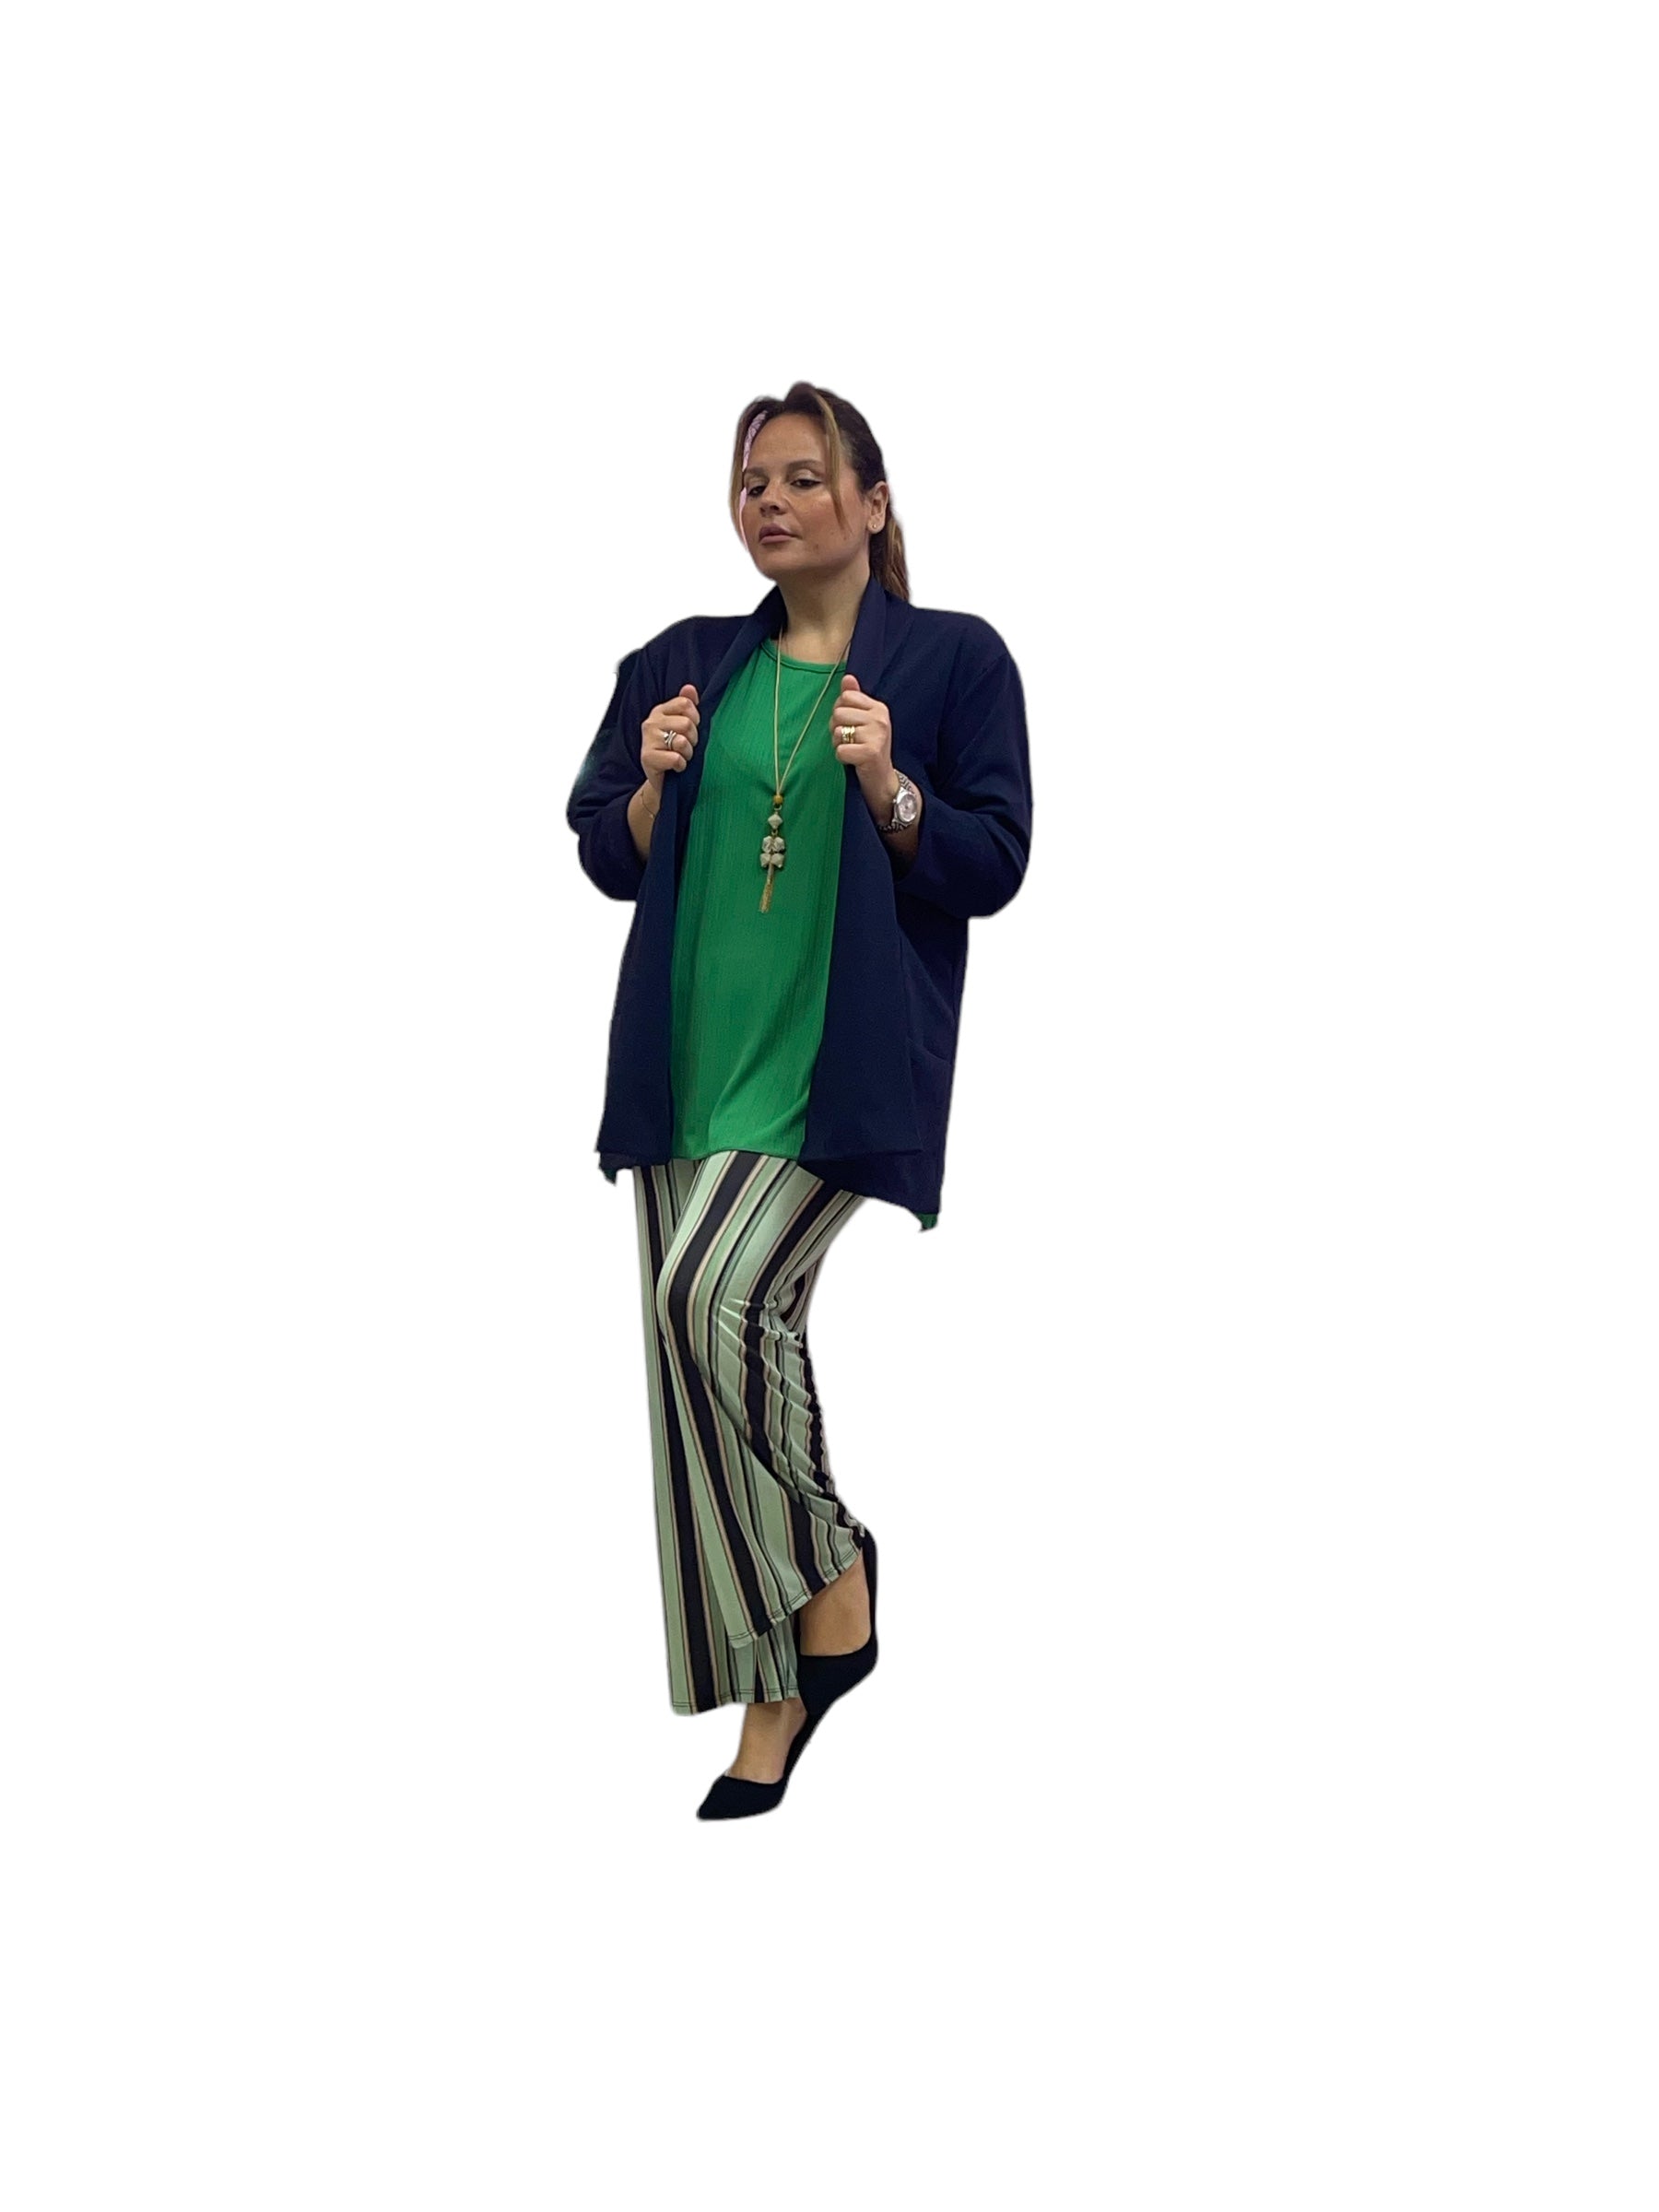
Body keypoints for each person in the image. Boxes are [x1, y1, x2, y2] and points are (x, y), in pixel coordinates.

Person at [567, 382, 1032, 1818]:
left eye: (803, 477)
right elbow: (602, 849)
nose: (769, 500)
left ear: (873, 505)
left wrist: (890, 783)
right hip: (685, 1066)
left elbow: (994, 862)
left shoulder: (952, 662)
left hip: (834, 1069)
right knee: (690, 1379)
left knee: (710, 1301)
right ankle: (775, 1703)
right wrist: (652, 789)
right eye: (751, 481)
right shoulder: (680, 664)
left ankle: (833, 1574)